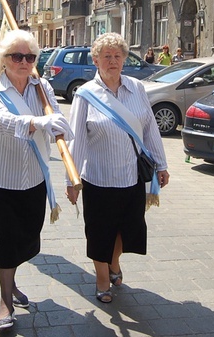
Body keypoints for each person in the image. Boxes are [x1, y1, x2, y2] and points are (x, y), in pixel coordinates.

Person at [0, 30, 73, 330]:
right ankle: (5, 300)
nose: (23, 62)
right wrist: (38, 122)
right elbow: (0, 121)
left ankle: (12, 281)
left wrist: (59, 124)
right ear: (4, 59)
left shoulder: (41, 86)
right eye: (16, 56)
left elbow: (54, 115)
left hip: (33, 176)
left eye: (29, 57)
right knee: (5, 239)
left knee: (26, 235)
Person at [67, 32, 170, 304]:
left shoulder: (136, 88)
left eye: (117, 56)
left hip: (131, 176)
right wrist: (72, 180)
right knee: (100, 232)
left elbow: (150, 128)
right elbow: (76, 139)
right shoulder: (85, 95)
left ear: (124, 59)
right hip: (98, 178)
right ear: (96, 60)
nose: (112, 61)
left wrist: (162, 164)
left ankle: (114, 262)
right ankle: (102, 279)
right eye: (106, 57)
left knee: (128, 229)